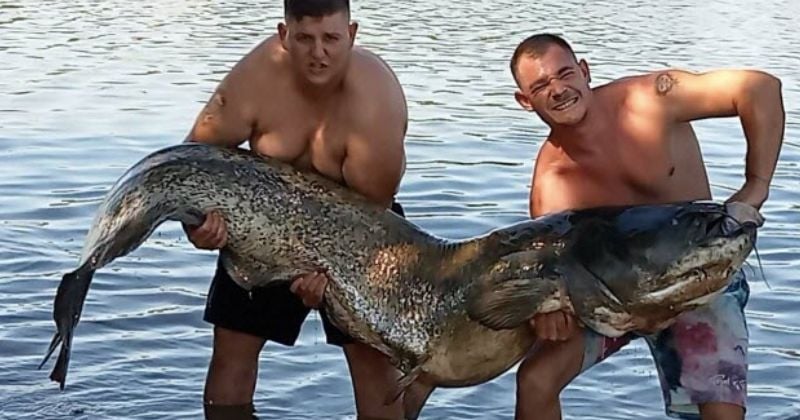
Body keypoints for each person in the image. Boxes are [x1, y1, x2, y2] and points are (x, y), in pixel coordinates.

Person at [509, 33, 784, 419]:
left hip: (698, 282)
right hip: (615, 297)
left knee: (720, 411)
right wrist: (549, 308)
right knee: (536, 379)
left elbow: (760, 88)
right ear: (525, 101)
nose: (558, 90)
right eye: (540, 86)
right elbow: (555, 269)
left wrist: (756, 185)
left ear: (585, 72)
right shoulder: (553, 179)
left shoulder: (649, 100)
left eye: (565, 73)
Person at [182, 0, 408, 418]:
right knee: (232, 351)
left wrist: (323, 268)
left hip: (358, 232)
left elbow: (375, 204)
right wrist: (197, 227)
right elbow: (192, 162)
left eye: (331, 39)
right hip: (263, 219)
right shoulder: (257, 76)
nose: (318, 52)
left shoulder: (376, 97)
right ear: (284, 35)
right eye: (304, 38)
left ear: (352, 35)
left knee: (374, 366)